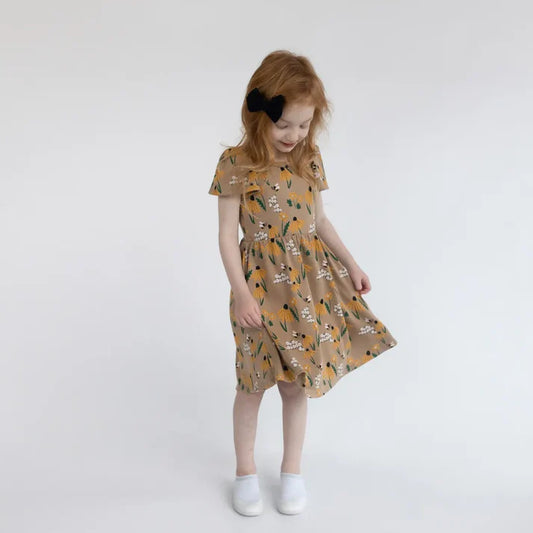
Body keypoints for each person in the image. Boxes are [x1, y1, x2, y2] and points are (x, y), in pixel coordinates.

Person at [207, 50, 398, 517]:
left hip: (306, 289)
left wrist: (351, 263)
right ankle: (245, 471)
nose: (294, 135)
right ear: (258, 115)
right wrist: (242, 294)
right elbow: (227, 238)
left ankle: (291, 471)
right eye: (284, 125)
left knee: (295, 385)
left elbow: (319, 222)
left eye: (304, 124)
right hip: (257, 291)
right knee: (252, 384)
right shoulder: (236, 163)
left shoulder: (308, 160)